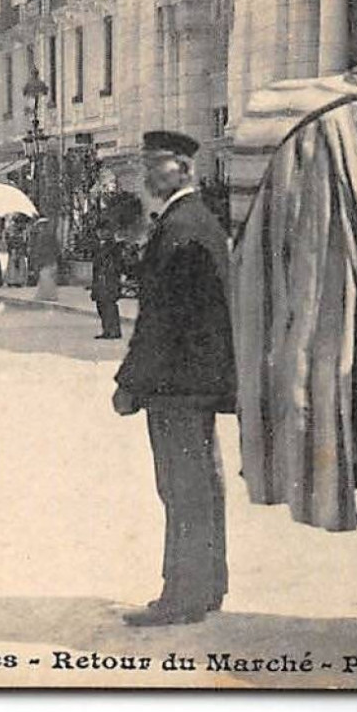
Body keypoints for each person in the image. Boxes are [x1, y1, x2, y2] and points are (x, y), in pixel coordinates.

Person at [111, 131, 234, 627]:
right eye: (146, 164)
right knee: (200, 484)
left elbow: (160, 320)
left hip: (178, 385)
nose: (146, 174)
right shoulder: (195, 221)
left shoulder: (181, 227)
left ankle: (183, 595)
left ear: (183, 168)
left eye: (155, 164)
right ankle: (206, 586)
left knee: (182, 487)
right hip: (194, 381)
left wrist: (130, 383)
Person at [90, 222, 124, 339]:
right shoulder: (98, 246)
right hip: (99, 280)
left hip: (109, 279)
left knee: (109, 305)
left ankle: (114, 330)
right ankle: (106, 330)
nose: (100, 233)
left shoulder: (114, 246)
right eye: (98, 231)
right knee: (101, 305)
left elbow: (118, 264)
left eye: (103, 231)